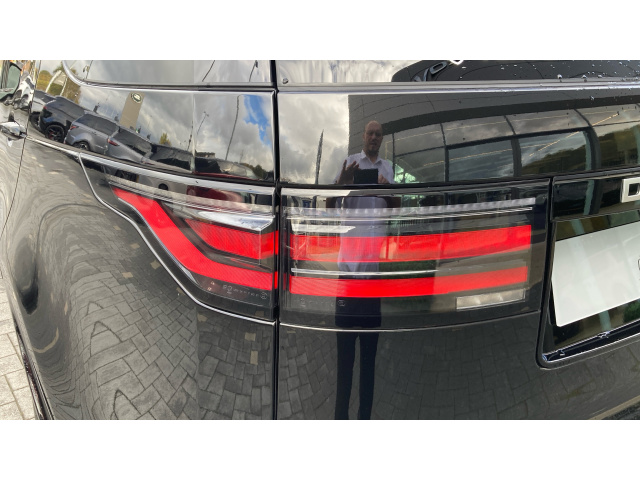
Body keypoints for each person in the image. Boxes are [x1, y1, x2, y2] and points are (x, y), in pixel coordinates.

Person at [334, 120, 394, 186]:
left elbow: (395, 192)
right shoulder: (350, 162)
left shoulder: (387, 167)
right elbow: (331, 192)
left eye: (378, 134)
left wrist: (387, 188)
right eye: (370, 133)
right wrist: (341, 182)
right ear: (363, 137)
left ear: (381, 139)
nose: (374, 137)